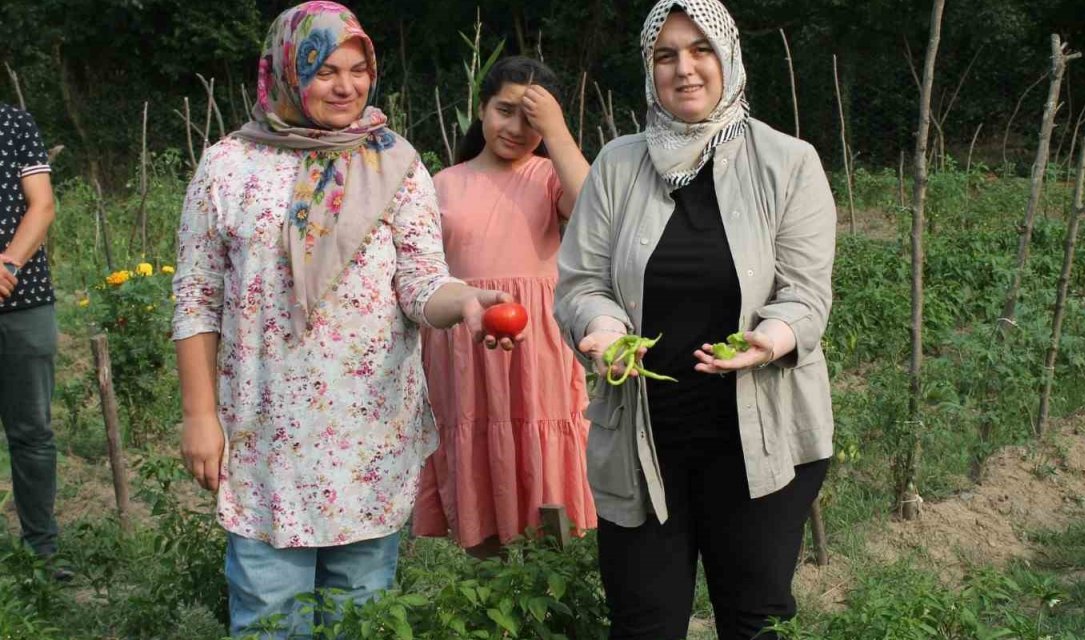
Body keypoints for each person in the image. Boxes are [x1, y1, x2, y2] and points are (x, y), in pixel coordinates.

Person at [172, 2, 520, 636]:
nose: (346, 87)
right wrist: (200, 415)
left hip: (367, 428)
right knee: (269, 616)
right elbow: (196, 297)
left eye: (358, 70)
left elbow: (420, 282)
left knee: (362, 612)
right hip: (265, 429)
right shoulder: (228, 166)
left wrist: (466, 303)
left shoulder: (394, 163)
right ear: (285, 69)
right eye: (325, 70)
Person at [553, 1, 837, 638]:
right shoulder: (617, 166)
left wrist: (768, 341)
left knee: (753, 617)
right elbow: (583, 282)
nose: (685, 68)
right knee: (643, 620)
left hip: (760, 437)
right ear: (649, 68)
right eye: (666, 54)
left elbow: (806, 294)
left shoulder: (788, 163)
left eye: (700, 49)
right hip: (643, 439)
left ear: (729, 56)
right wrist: (600, 329)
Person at [412, 56, 596, 557]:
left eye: (531, 119)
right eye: (504, 111)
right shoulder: (443, 184)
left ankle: (554, 578)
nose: (516, 128)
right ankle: (488, 585)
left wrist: (557, 133)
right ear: (481, 108)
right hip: (464, 350)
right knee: (478, 453)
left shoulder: (549, 177)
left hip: (537, 350)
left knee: (543, 453)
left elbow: (595, 209)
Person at [0, 103, 60, 571]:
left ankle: (41, 551)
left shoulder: (15, 122)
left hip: (24, 300)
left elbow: (42, 204)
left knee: (32, 433)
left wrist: (7, 265)